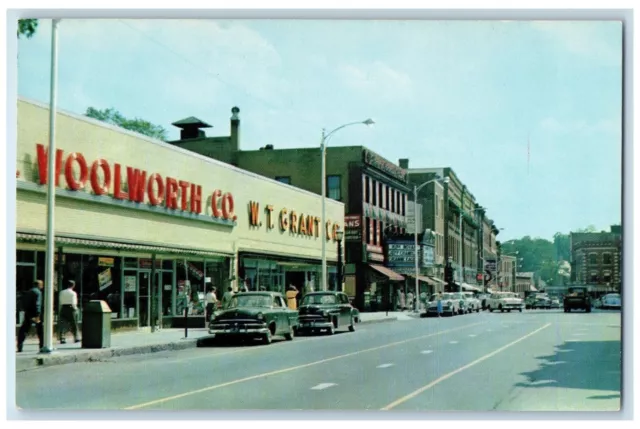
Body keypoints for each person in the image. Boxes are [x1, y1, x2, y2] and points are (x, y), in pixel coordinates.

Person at [17, 280, 44, 352]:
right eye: (41, 285)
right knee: (40, 330)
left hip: (28, 313)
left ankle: (20, 345)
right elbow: (37, 303)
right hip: (35, 314)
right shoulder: (38, 292)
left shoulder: (28, 292)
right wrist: (38, 314)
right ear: (39, 285)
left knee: (24, 329)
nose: (42, 287)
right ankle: (42, 346)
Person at [58, 280, 80, 344]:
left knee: (63, 323)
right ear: (73, 285)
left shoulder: (62, 292)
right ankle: (76, 338)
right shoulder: (73, 293)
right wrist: (75, 309)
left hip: (63, 307)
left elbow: (60, 301)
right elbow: (74, 302)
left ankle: (62, 338)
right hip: (71, 308)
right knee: (74, 323)